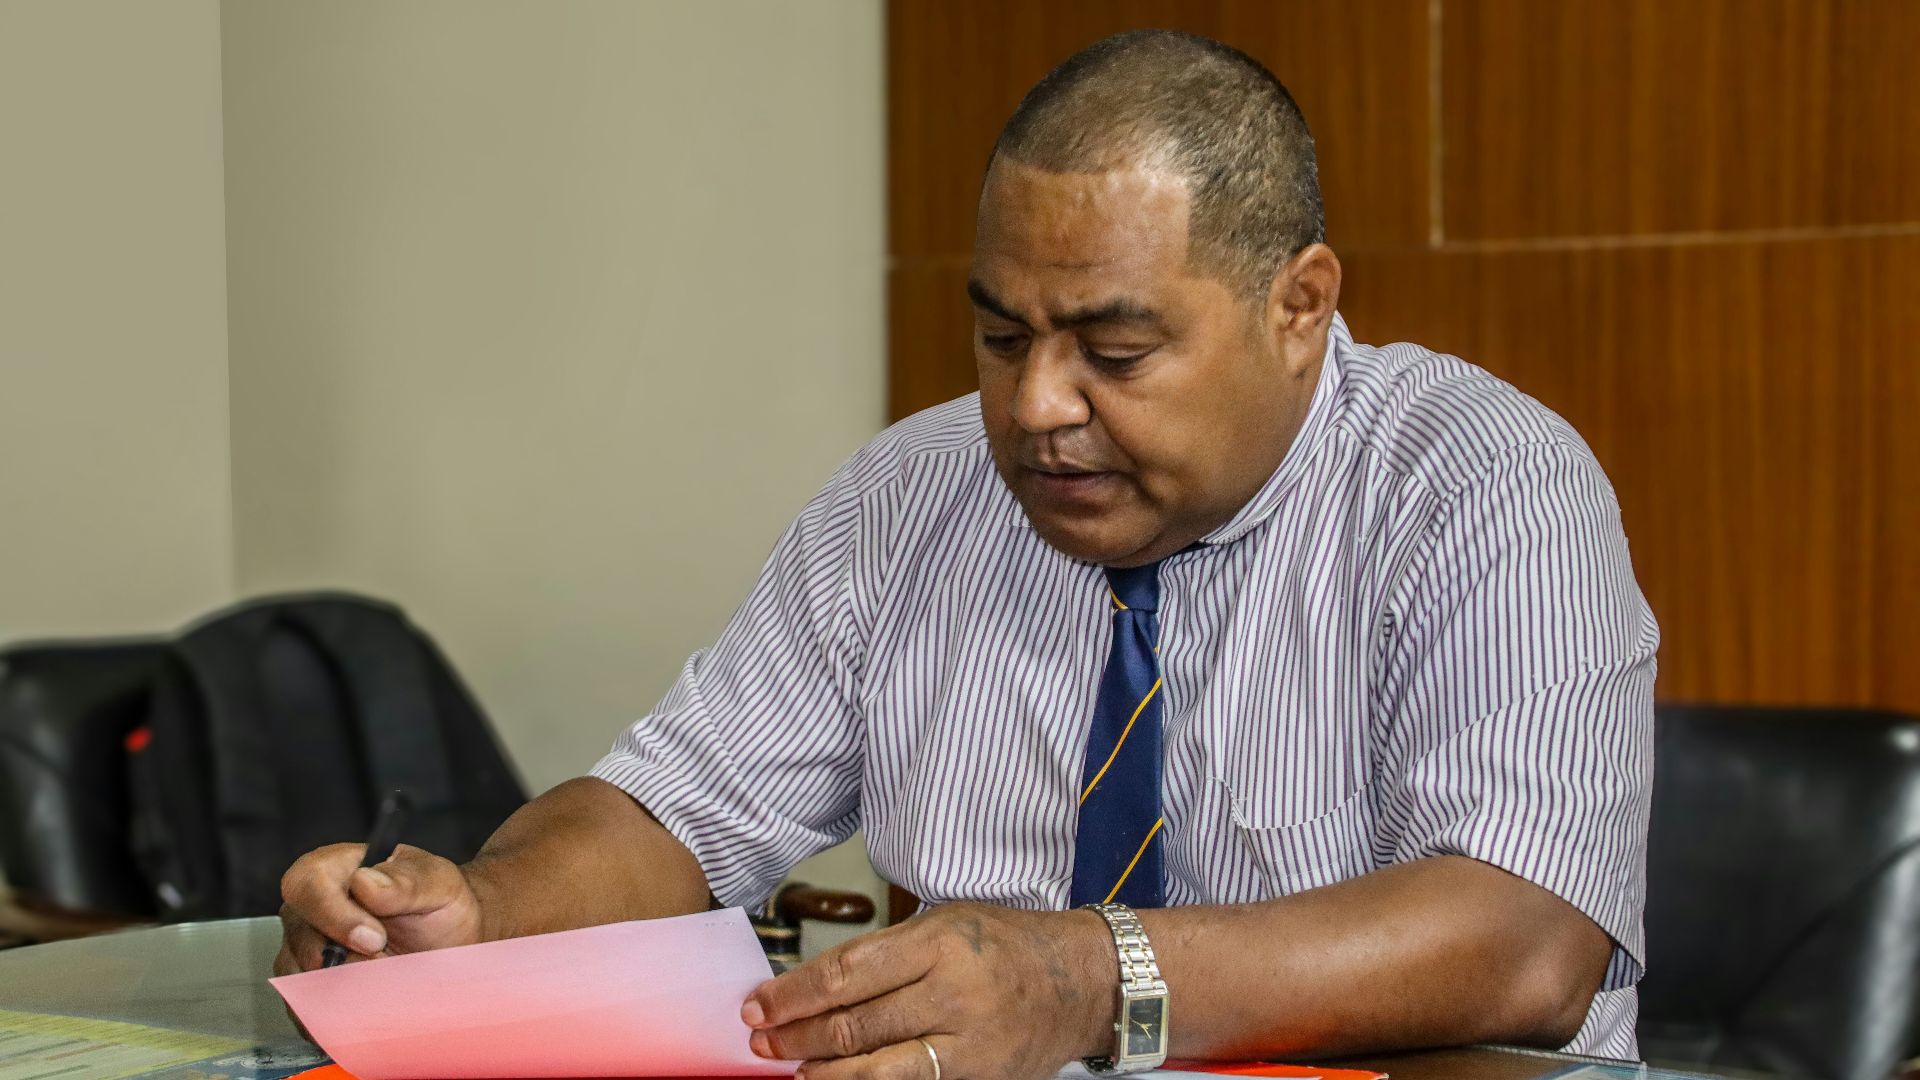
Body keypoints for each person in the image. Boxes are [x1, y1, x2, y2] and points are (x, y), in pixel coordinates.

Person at [277, 29, 1656, 1078]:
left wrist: (1083, 978)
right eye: (1003, 338)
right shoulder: (914, 491)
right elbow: (673, 812)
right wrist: (486, 911)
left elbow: (1526, 938)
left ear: (1297, 306)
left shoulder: (1478, 482)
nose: (1039, 407)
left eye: (1115, 352)